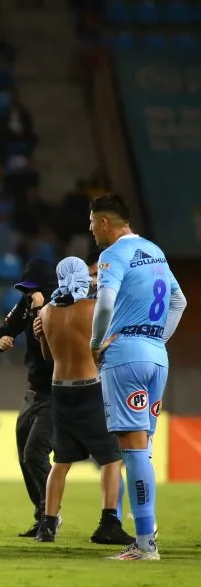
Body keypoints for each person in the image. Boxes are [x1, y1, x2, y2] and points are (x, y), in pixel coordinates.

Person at [89, 194, 186, 560]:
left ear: (103, 222)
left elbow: (106, 302)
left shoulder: (112, 254)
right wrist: (154, 338)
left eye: (91, 222)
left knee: (132, 450)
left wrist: (97, 343)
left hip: (125, 354)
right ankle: (146, 534)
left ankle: (145, 542)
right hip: (156, 356)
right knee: (141, 448)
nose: (90, 228)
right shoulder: (154, 251)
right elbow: (180, 302)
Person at [35, 256, 133, 545]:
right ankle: (108, 523)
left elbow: (47, 355)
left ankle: (47, 525)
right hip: (89, 389)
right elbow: (104, 344)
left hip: (60, 391)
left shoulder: (46, 312)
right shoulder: (91, 309)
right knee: (112, 459)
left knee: (61, 461)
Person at [0, 258, 56, 537]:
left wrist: (42, 309)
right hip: (33, 392)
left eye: (32, 289)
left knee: (35, 454)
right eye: (26, 290)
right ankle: (42, 513)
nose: (28, 294)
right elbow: (7, 328)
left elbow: (56, 344)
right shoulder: (26, 304)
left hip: (57, 393)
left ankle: (50, 515)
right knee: (24, 456)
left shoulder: (61, 307)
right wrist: (2, 340)